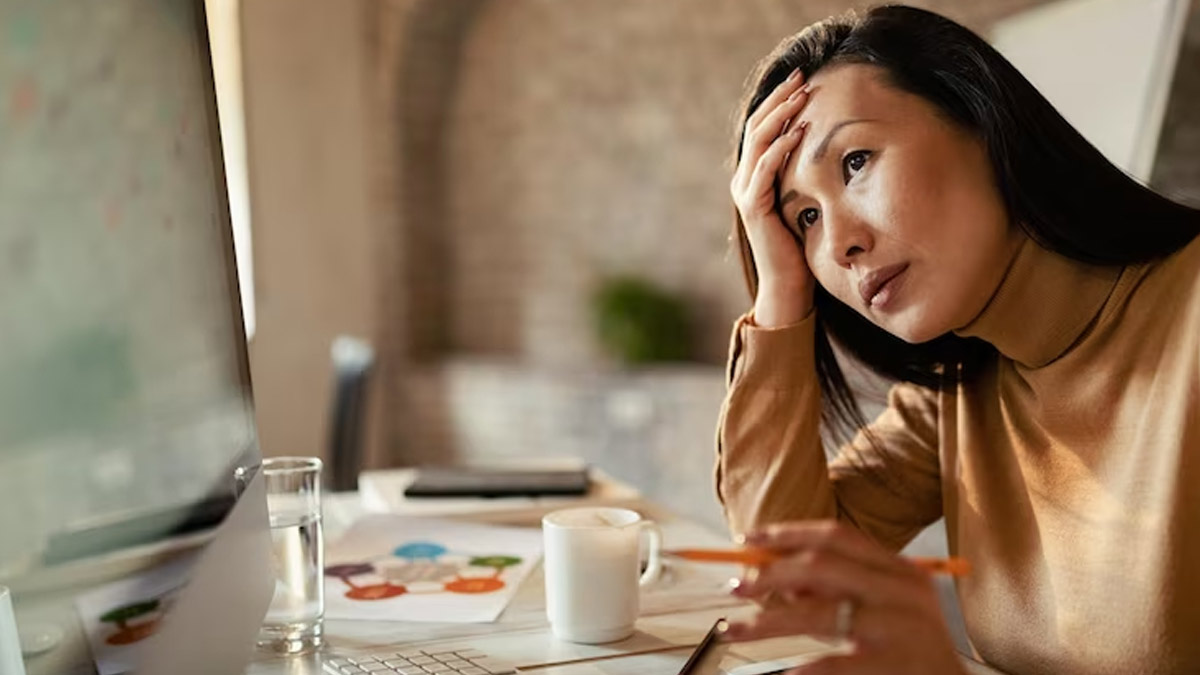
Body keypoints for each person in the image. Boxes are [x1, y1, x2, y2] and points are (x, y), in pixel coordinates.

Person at [715, 5, 1200, 674]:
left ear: (981, 118)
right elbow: (786, 568)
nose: (839, 243)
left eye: (855, 161)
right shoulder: (956, 396)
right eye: (803, 219)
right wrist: (779, 291)